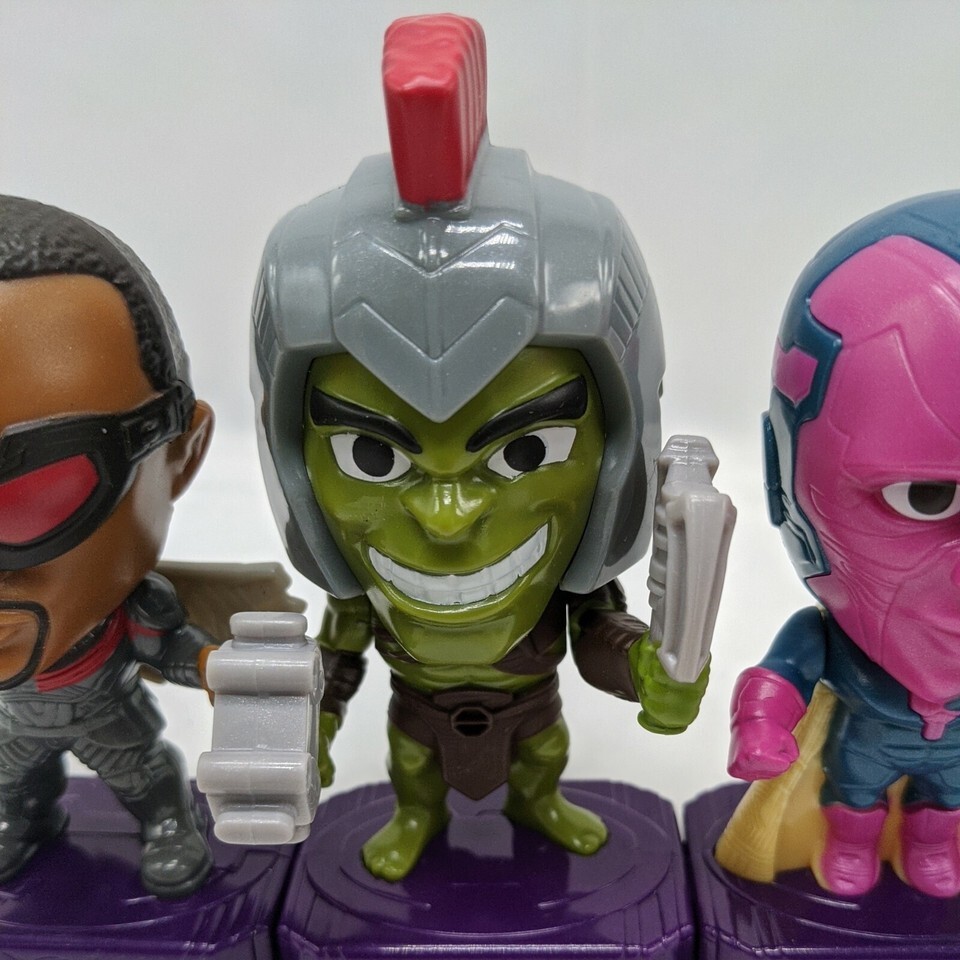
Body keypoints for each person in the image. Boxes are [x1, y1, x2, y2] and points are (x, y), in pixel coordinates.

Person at [0, 195, 216, 898]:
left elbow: (169, 647)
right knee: (9, 780)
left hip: (102, 707)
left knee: (142, 775)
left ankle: (168, 825)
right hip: (12, 724)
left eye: (37, 490)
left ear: (181, 453)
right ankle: (20, 818)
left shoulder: (134, 609)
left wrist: (213, 666)